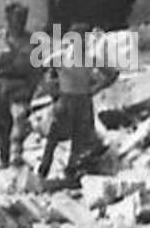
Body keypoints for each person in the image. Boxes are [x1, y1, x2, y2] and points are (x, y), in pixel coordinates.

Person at [37, 31, 117, 181]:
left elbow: (112, 74)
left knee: (72, 137)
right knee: (60, 136)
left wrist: (96, 88)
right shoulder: (68, 57)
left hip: (75, 99)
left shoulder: (84, 58)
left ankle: (64, 170)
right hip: (73, 99)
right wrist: (51, 87)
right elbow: (112, 74)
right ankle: (50, 169)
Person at [0, 2, 39, 167]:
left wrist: (33, 88)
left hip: (21, 85)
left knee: (20, 118)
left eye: (24, 17)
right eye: (17, 17)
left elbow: (38, 68)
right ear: (8, 18)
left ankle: (16, 154)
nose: (21, 21)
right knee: (3, 126)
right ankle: (4, 158)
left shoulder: (33, 41)